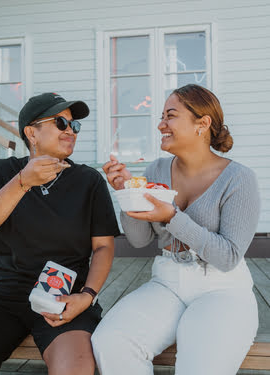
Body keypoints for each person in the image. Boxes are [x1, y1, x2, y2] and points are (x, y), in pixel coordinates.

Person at [91, 84, 260, 375]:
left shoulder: (239, 179)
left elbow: (229, 257)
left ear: (202, 124)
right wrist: (126, 192)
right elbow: (140, 239)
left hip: (222, 289)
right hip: (167, 282)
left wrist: (172, 217)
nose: (160, 125)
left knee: (200, 367)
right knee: (111, 340)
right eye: (161, 116)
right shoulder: (156, 171)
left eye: (170, 116)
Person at [0, 92, 120, 375]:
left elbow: (103, 247)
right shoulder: (1, 173)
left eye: (74, 126)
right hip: (3, 295)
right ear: (31, 132)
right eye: (60, 123)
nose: (71, 131)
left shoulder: (89, 180)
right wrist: (23, 182)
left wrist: (87, 296)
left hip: (65, 296)